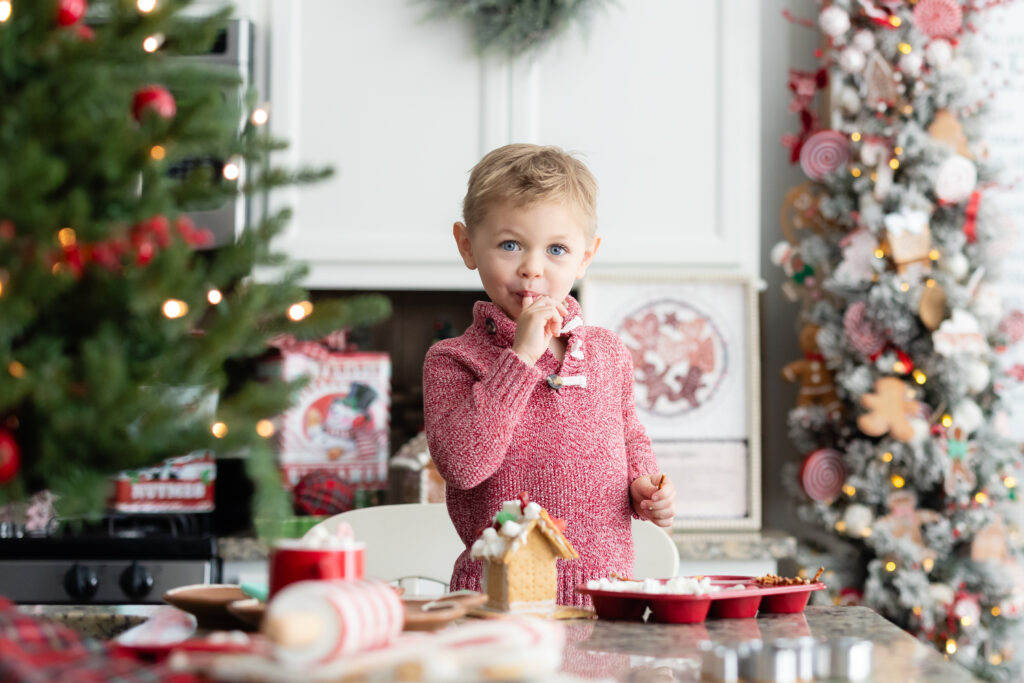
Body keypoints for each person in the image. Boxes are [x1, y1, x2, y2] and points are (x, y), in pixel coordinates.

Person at [423, 143, 677, 606]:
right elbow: (463, 466)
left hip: (605, 603)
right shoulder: (453, 360)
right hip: (496, 607)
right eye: (510, 244)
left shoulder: (608, 353)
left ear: (585, 256)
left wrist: (645, 484)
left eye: (557, 249)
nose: (532, 268)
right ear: (467, 245)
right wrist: (520, 358)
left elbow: (631, 440)